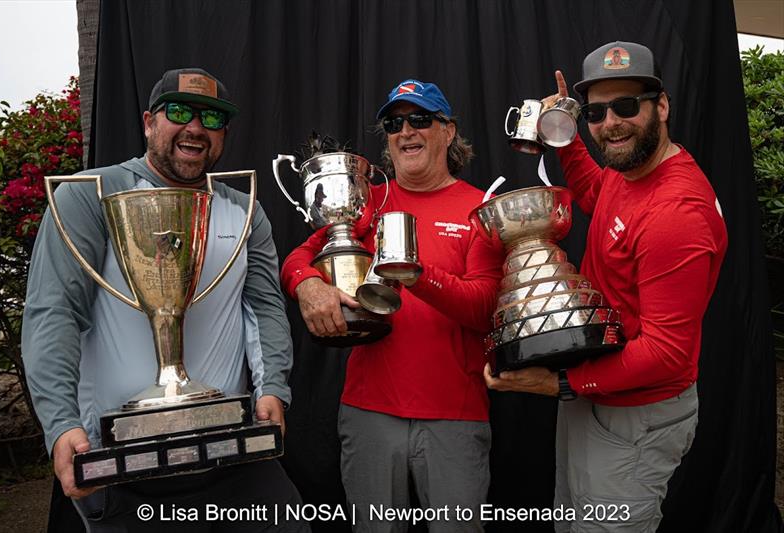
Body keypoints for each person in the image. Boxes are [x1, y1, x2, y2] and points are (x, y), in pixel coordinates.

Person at [22, 67, 309, 532]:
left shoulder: (244, 209)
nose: (195, 127)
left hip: (232, 455)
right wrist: (61, 423)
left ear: (224, 133)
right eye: (178, 111)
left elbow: (263, 308)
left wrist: (274, 387)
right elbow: (54, 313)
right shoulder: (89, 196)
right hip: (124, 465)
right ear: (149, 122)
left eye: (212, 118)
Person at [484, 42, 728, 531]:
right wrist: (566, 139)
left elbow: (666, 352)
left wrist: (560, 383)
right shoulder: (631, 169)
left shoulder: (677, 214)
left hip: (636, 414)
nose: (610, 122)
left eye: (625, 106)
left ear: (661, 105)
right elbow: (596, 193)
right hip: (600, 395)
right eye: (595, 111)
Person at [281, 79, 502, 532]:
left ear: (448, 131)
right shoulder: (365, 202)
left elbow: (484, 308)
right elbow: (298, 259)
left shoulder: (481, 206)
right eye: (394, 123)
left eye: (420, 119)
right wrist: (308, 287)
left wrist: (416, 273)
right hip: (370, 413)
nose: (406, 131)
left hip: (454, 415)